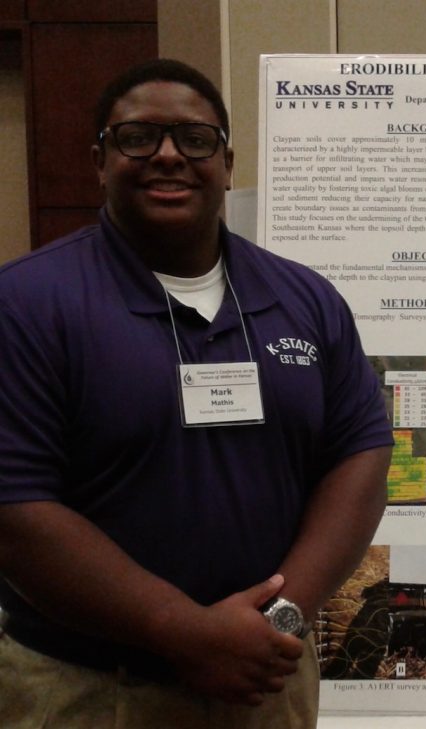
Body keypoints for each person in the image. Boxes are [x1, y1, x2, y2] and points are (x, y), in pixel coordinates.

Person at [0, 59, 393, 728]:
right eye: (137, 137)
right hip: (90, 691)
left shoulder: (305, 299)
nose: (168, 155)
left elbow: (360, 457)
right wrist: (182, 629)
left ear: (228, 160)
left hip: (267, 681)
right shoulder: (28, 302)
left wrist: (280, 618)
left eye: (195, 138)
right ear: (100, 159)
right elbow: (15, 504)